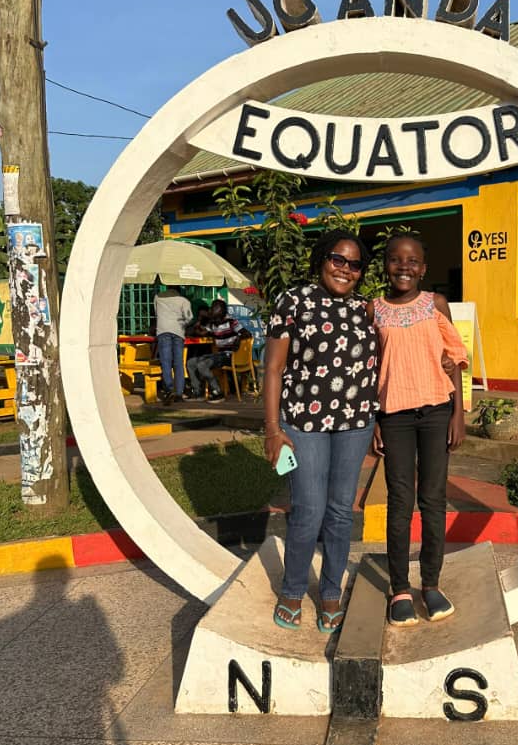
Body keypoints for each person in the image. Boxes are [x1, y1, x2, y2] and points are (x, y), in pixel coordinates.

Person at [264, 229, 378, 633]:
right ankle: (293, 590)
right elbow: (274, 368)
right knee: (309, 510)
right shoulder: (293, 301)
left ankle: (331, 591)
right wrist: (273, 428)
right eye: (337, 259)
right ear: (321, 260)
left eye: (354, 264)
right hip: (304, 422)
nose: (345, 269)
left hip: (355, 423)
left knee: (340, 512)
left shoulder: (368, 309)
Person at [370, 235, 468, 627]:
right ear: (386, 266)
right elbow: (369, 369)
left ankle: (431, 583)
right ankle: (399, 589)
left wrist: (458, 414)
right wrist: (375, 420)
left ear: (424, 267)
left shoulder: (435, 304)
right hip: (393, 415)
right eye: (395, 260)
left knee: (433, 499)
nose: (404, 267)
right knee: (400, 501)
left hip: (436, 412)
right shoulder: (372, 310)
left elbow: (454, 360)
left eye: (412, 261)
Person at [186, 298, 250, 402]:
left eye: (213, 308)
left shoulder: (231, 322)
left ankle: (217, 392)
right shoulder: (213, 324)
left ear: (220, 310)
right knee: (191, 363)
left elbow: (247, 334)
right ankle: (198, 392)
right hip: (219, 355)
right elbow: (200, 333)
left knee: (203, 365)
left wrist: (238, 339)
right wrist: (199, 322)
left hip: (229, 355)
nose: (211, 310)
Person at [154, 283, 193, 405]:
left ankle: (169, 389)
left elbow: (156, 314)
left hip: (163, 331)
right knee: (178, 363)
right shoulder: (183, 300)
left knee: (166, 362)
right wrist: (182, 324)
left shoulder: (158, 297)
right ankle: (179, 393)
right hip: (178, 332)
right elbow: (189, 318)